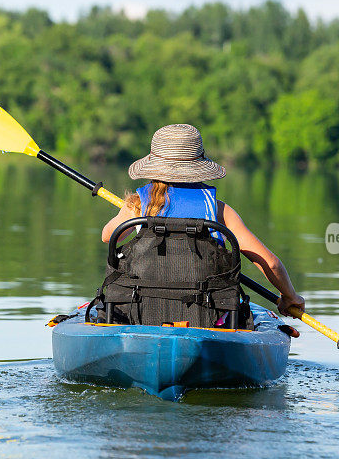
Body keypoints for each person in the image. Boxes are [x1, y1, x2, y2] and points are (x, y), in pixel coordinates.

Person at [102, 124, 305, 317]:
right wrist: (290, 296)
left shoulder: (137, 205)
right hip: (207, 315)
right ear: (198, 165)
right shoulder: (218, 211)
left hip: (143, 310)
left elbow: (108, 236)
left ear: (154, 166)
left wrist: (129, 208)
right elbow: (271, 264)